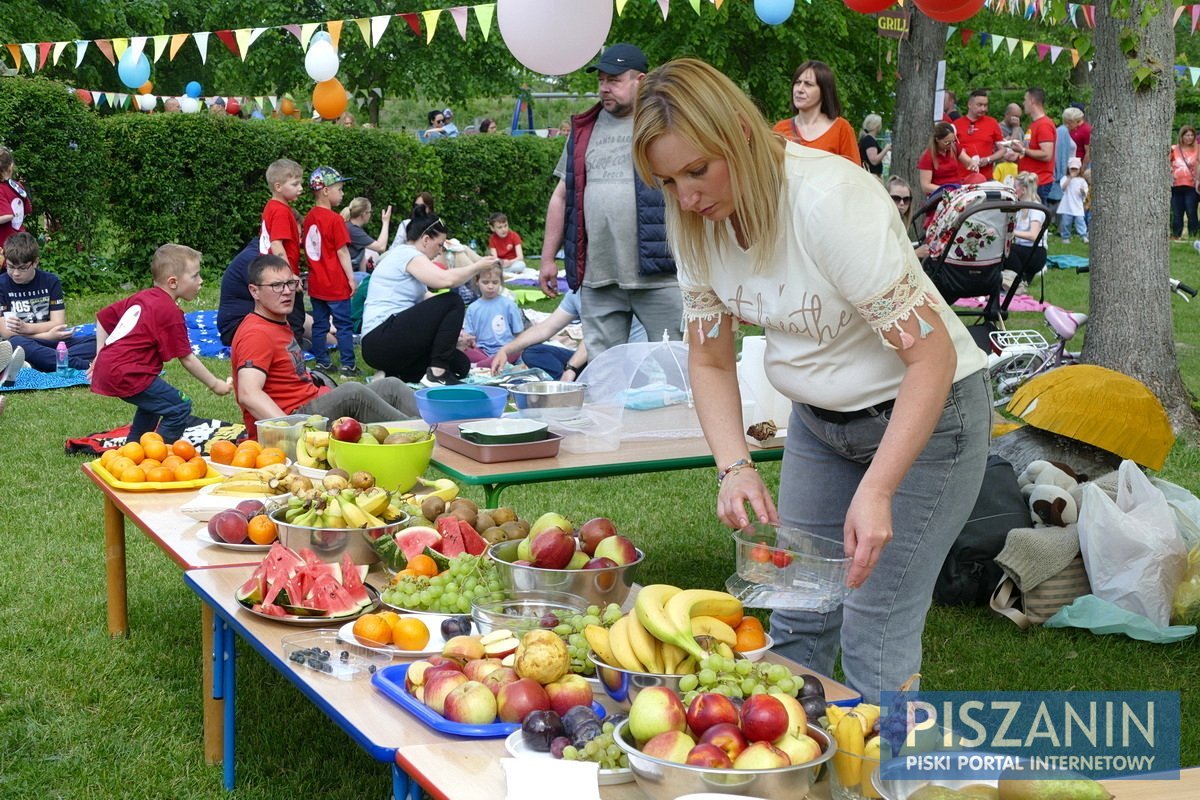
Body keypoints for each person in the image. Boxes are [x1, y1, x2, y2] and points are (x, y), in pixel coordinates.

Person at [631, 58, 990, 702]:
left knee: (875, 625)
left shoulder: (829, 200)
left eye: (697, 170)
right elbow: (710, 359)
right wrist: (734, 466)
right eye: (667, 180)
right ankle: (794, 768)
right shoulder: (693, 223)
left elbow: (930, 359)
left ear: (740, 133)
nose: (686, 198)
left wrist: (879, 489)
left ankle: (884, 778)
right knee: (795, 612)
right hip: (821, 424)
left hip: (928, 420)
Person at [538, 42, 681, 360]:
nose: (605, 88)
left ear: (640, 80)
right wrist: (548, 258)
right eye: (601, 80)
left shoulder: (665, 124)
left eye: (614, 80)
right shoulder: (583, 130)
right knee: (604, 372)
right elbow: (562, 196)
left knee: (677, 366)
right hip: (597, 275)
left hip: (659, 273)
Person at [232, 255, 417, 434]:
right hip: (294, 419)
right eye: (276, 285)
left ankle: (435, 426)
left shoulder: (276, 321)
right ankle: (420, 435)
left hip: (312, 400)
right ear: (254, 291)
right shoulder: (256, 333)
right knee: (353, 393)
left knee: (391, 386)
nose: (287, 291)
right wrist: (291, 432)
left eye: (290, 283)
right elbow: (248, 394)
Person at [89, 244, 232, 443]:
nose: (201, 281)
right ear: (173, 282)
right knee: (179, 406)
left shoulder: (143, 297)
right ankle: (155, 455)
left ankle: (134, 449)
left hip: (115, 369)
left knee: (154, 404)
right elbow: (187, 358)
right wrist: (215, 384)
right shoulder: (169, 311)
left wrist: (100, 354)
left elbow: (102, 319)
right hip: (128, 373)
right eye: (195, 276)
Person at [361, 212, 499, 385]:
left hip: (388, 341)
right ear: (426, 240)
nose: (440, 251)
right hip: (380, 338)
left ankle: (393, 374)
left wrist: (456, 334)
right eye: (439, 245)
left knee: (460, 365)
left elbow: (430, 303)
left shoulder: (409, 261)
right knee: (453, 301)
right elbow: (446, 280)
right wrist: (477, 266)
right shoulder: (407, 254)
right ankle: (437, 374)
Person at [490, 287, 648, 380]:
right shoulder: (577, 292)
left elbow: (598, 337)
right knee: (533, 352)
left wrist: (571, 367)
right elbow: (545, 328)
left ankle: (572, 382)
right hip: (593, 358)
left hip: (626, 362)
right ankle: (567, 385)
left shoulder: (615, 291)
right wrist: (506, 349)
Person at [0, 232, 96, 373]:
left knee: (98, 341)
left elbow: (58, 323)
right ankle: (82, 365)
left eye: (22, 268)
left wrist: (27, 329)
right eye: (10, 266)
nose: (15, 273)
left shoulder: (50, 281)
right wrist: (46, 335)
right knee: (15, 343)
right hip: (25, 342)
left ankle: (34, 364)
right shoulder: (1, 285)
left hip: (51, 342)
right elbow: (7, 333)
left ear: (35, 262)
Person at [302, 167, 358, 378]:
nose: (342, 194)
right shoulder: (335, 220)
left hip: (317, 283)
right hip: (335, 283)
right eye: (339, 189)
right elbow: (342, 252)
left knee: (320, 324)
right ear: (325, 190)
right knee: (344, 325)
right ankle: (348, 365)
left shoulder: (309, 218)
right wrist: (351, 278)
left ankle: (322, 362)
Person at [462, 263, 561, 370]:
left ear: (501, 282)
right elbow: (469, 337)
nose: (490, 286)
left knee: (520, 351)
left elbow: (519, 334)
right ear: (477, 282)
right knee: (463, 350)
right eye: (485, 282)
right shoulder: (472, 308)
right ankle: (487, 363)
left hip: (506, 350)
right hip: (482, 351)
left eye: (495, 282)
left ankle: (479, 365)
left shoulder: (509, 305)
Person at [258, 158, 308, 346]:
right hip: (282, 276)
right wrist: (290, 275)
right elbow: (277, 244)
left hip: (271, 274)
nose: (300, 188)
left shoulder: (271, 206)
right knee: (295, 320)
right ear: (278, 186)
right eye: (295, 184)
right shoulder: (280, 211)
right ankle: (293, 363)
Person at [771, 61, 859, 164]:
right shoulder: (780, 129)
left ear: (824, 91)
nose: (800, 89)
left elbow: (854, 176)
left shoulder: (841, 129)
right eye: (798, 82)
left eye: (808, 84)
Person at [1013, 87, 1056, 205]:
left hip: (1038, 182)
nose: (1023, 103)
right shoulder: (1035, 124)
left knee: (1036, 220)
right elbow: (1030, 148)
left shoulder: (1044, 124)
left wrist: (1022, 149)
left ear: (1032, 100)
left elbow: (1047, 154)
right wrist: (1016, 150)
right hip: (1030, 182)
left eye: (1025, 99)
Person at [952, 90, 1007, 181]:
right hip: (963, 178)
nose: (983, 109)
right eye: (979, 105)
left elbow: (1003, 149)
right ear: (969, 104)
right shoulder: (956, 125)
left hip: (986, 178)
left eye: (985, 105)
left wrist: (988, 159)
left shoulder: (992, 123)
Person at [1010, 171, 1047, 282]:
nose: (1013, 190)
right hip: (1024, 249)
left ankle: (1019, 280)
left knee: (1007, 251)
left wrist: (1012, 232)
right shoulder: (1021, 206)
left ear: (1024, 190)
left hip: (1036, 253)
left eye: (1014, 187)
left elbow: (1034, 235)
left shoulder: (1035, 208)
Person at [917, 121, 970, 197]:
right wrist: (945, 190)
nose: (950, 144)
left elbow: (968, 161)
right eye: (947, 142)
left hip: (957, 191)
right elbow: (925, 186)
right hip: (939, 195)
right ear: (937, 140)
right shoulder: (927, 157)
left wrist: (972, 164)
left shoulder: (954, 148)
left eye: (953, 141)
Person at [342, 196, 393, 273]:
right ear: (363, 214)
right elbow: (381, 247)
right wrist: (385, 222)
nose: (370, 215)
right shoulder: (353, 231)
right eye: (370, 212)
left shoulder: (350, 226)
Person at [0, 146, 32, 265]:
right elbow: (27, 210)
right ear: (11, 166)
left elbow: (7, 215)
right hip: (20, 243)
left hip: (4, 246)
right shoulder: (17, 186)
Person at [885, 176, 928, 261]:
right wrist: (916, 253)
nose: (902, 203)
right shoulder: (883, 225)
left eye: (906, 199)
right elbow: (886, 260)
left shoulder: (901, 223)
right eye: (896, 198)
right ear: (886, 197)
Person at [1171, 126, 1200, 241]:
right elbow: (1167, 163)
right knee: (1177, 213)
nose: (1189, 138)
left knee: (1191, 211)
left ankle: (1193, 236)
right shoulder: (1174, 149)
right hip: (1176, 185)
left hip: (1191, 186)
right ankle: (1176, 235)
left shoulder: (1198, 149)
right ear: (1181, 136)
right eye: (1187, 135)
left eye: (1192, 135)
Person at [1058, 157, 1089, 245]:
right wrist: (1070, 178)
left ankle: (1083, 236)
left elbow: (1085, 193)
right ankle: (1065, 237)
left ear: (1079, 169)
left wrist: (1083, 192)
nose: (1074, 171)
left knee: (1080, 221)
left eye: (1076, 169)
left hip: (1077, 205)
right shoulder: (1065, 178)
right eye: (1072, 169)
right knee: (1066, 222)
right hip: (1067, 205)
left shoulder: (1082, 181)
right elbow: (1063, 188)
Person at [1068, 103, 1092, 170]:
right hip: (1070, 165)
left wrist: (1082, 170)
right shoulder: (1071, 127)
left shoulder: (1086, 129)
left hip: (1079, 166)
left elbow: (1088, 152)